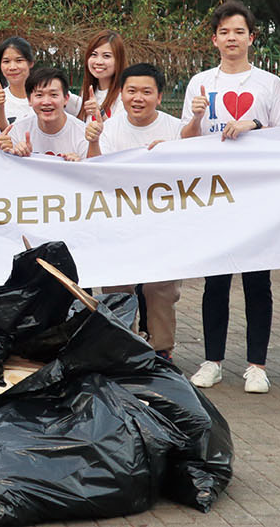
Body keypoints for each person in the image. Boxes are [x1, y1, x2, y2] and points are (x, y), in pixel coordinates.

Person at [181, 0, 280, 395]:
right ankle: (212, 361)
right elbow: (185, 141)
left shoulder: (269, 84)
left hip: (256, 192)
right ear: (214, 39)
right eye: (224, 31)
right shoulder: (201, 82)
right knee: (216, 280)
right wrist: (194, 117)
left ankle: (256, 364)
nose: (232, 38)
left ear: (252, 38)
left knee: (258, 280)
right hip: (214, 193)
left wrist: (253, 123)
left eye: (239, 31)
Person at [94, 63, 185, 359]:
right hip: (119, 224)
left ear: (159, 96)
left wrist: (170, 157)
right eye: (131, 91)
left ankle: (161, 353)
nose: (138, 98)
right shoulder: (108, 129)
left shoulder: (176, 130)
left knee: (160, 291)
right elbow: (99, 172)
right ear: (120, 94)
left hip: (164, 226)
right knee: (117, 288)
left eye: (147, 92)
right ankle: (119, 352)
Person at [0, 67, 92, 159]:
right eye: (39, 95)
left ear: (66, 98)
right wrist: (12, 153)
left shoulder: (83, 133)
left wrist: (78, 165)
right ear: (29, 100)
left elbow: (92, 170)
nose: (46, 102)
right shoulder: (17, 130)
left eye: (53, 95)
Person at [0, 37, 37, 130]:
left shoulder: (48, 95)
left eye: (19, 60)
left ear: (31, 63)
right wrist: (0, 107)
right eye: (6, 61)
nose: (12, 67)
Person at [80, 29, 127, 120]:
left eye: (106, 56)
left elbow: (120, 131)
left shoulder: (124, 95)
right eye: (94, 54)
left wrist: (100, 113)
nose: (98, 62)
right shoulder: (87, 92)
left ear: (119, 60)